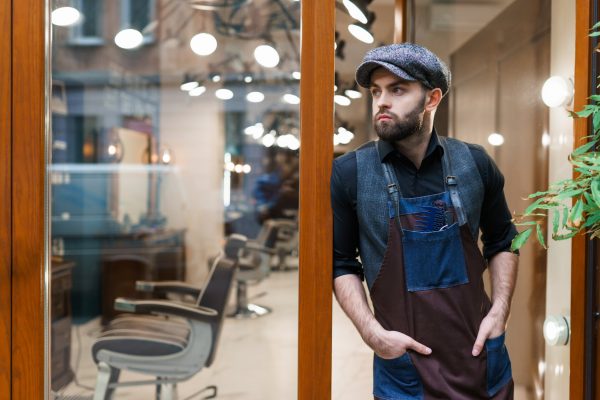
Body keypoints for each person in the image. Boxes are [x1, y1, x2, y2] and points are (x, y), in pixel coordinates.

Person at [331, 43, 519, 399]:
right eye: (376, 91)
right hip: (404, 371)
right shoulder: (349, 174)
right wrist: (373, 334)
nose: (381, 101)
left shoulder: (475, 164)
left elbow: (503, 240)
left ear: (432, 99)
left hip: (479, 359)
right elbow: (341, 265)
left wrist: (500, 311)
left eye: (397, 89)